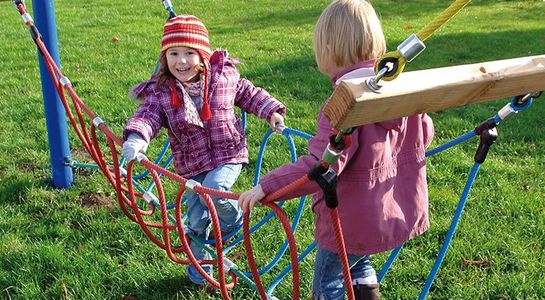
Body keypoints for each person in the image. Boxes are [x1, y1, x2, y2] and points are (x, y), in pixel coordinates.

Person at [238, 0, 434, 299]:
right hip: (394, 211)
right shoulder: (402, 91)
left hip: (349, 222)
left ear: (328, 50)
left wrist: (266, 186)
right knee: (358, 262)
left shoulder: (342, 106)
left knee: (328, 281)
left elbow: (320, 167)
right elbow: (426, 133)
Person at [122, 14, 286, 286]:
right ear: (165, 58)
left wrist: (271, 112)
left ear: (203, 55)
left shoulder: (224, 76)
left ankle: (232, 223)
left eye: (189, 53)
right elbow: (148, 115)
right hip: (191, 163)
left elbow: (249, 94)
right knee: (196, 219)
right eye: (173, 53)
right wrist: (137, 137)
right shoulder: (162, 91)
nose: (181, 61)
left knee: (216, 189)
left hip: (227, 153)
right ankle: (199, 270)